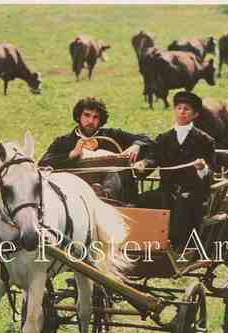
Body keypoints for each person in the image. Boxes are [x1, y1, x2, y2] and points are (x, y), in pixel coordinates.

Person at [136, 91, 216, 248]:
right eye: (179, 108)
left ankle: (178, 247)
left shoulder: (205, 140)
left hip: (193, 193)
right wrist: (143, 164)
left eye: (187, 109)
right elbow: (153, 158)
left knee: (182, 207)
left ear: (195, 115)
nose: (182, 112)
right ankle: (142, 244)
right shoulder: (164, 138)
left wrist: (202, 168)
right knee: (138, 202)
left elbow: (211, 171)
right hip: (166, 191)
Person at [38, 97, 153, 203]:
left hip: (118, 199)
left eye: (95, 117)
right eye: (86, 115)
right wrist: (72, 155)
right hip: (77, 198)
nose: (90, 121)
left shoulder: (112, 135)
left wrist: (136, 146)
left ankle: (104, 196)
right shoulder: (64, 141)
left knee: (113, 169)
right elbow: (43, 163)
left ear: (100, 120)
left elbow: (146, 139)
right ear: (78, 116)